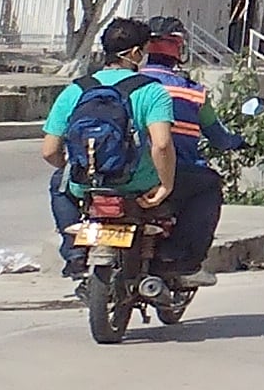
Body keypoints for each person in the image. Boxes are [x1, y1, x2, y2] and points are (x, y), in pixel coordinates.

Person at [42, 16, 179, 269]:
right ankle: (166, 263)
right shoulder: (152, 91)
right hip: (138, 186)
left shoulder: (75, 90)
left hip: (86, 185)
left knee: (57, 184)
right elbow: (161, 145)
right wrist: (165, 186)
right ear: (137, 53)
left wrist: (75, 169)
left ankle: (74, 254)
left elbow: (49, 151)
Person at [137, 18, 234, 282]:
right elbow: (218, 136)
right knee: (209, 187)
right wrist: (236, 141)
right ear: (179, 50)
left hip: (125, 172)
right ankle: (183, 259)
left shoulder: (128, 82)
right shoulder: (192, 92)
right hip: (178, 173)